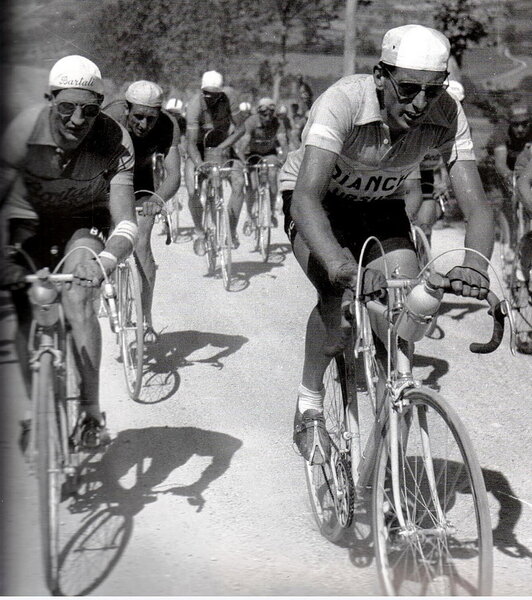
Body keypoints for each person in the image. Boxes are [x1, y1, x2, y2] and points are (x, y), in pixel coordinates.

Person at [279, 24, 494, 464]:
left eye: (432, 92)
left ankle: (392, 426)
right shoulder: (344, 100)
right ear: (380, 75)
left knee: (402, 309)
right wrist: (340, 264)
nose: (419, 104)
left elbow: (478, 209)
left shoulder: (447, 113)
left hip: (380, 206)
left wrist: (475, 265)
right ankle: (309, 403)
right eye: (409, 88)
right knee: (335, 293)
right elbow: (305, 197)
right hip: (321, 203)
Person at [0, 55, 137, 447]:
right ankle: (35, 408)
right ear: (50, 100)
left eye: (89, 110)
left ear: (100, 108)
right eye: (66, 107)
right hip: (32, 224)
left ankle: (91, 413)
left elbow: (126, 219)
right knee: (26, 306)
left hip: (84, 223)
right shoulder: (22, 132)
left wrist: (107, 260)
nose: (77, 119)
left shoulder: (114, 139)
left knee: (79, 294)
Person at [105, 80, 181, 340]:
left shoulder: (169, 125)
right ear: (126, 109)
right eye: (138, 116)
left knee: (141, 244)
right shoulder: (109, 118)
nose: (144, 125)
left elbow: (174, 175)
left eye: (151, 118)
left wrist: (158, 200)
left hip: (141, 182)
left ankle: (145, 319)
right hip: (108, 179)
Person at [185, 70, 246, 251]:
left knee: (239, 181)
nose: (208, 98)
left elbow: (240, 129)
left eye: (213, 95)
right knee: (192, 190)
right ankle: (200, 232)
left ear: (221, 93)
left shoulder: (230, 98)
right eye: (205, 93)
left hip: (222, 147)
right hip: (199, 151)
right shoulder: (195, 105)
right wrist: (198, 164)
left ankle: (231, 230)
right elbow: (189, 143)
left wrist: (223, 147)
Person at [237, 97, 289, 229]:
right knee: (252, 187)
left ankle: (271, 212)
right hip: (252, 154)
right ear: (259, 113)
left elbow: (283, 142)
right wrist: (244, 162)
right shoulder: (251, 122)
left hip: (269, 153)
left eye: (270, 114)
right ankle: (249, 215)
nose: (267, 117)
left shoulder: (278, 123)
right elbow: (242, 146)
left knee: (272, 176)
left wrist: (283, 159)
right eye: (264, 114)